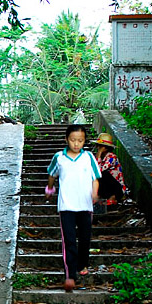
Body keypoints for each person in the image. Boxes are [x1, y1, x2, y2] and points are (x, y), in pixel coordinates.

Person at [45, 124, 101, 292]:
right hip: (66, 206)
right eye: (73, 140)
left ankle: (83, 263)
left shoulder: (89, 157)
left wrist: (95, 193)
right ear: (66, 140)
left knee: (85, 239)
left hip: (85, 205)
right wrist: (49, 189)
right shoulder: (59, 157)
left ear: (84, 141)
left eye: (80, 141)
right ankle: (70, 275)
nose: (76, 144)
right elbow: (52, 174)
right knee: (69, 240)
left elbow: (95, 178)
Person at [94, 133, 127, 204]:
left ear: (105, 148)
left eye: (100, 147)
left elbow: (99, 171)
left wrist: (99, 154)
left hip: (117, 189)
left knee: (104, 174)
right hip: (106, 189)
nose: (97, 148)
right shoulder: (99, 158)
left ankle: (113, 197)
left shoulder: (112, 157)